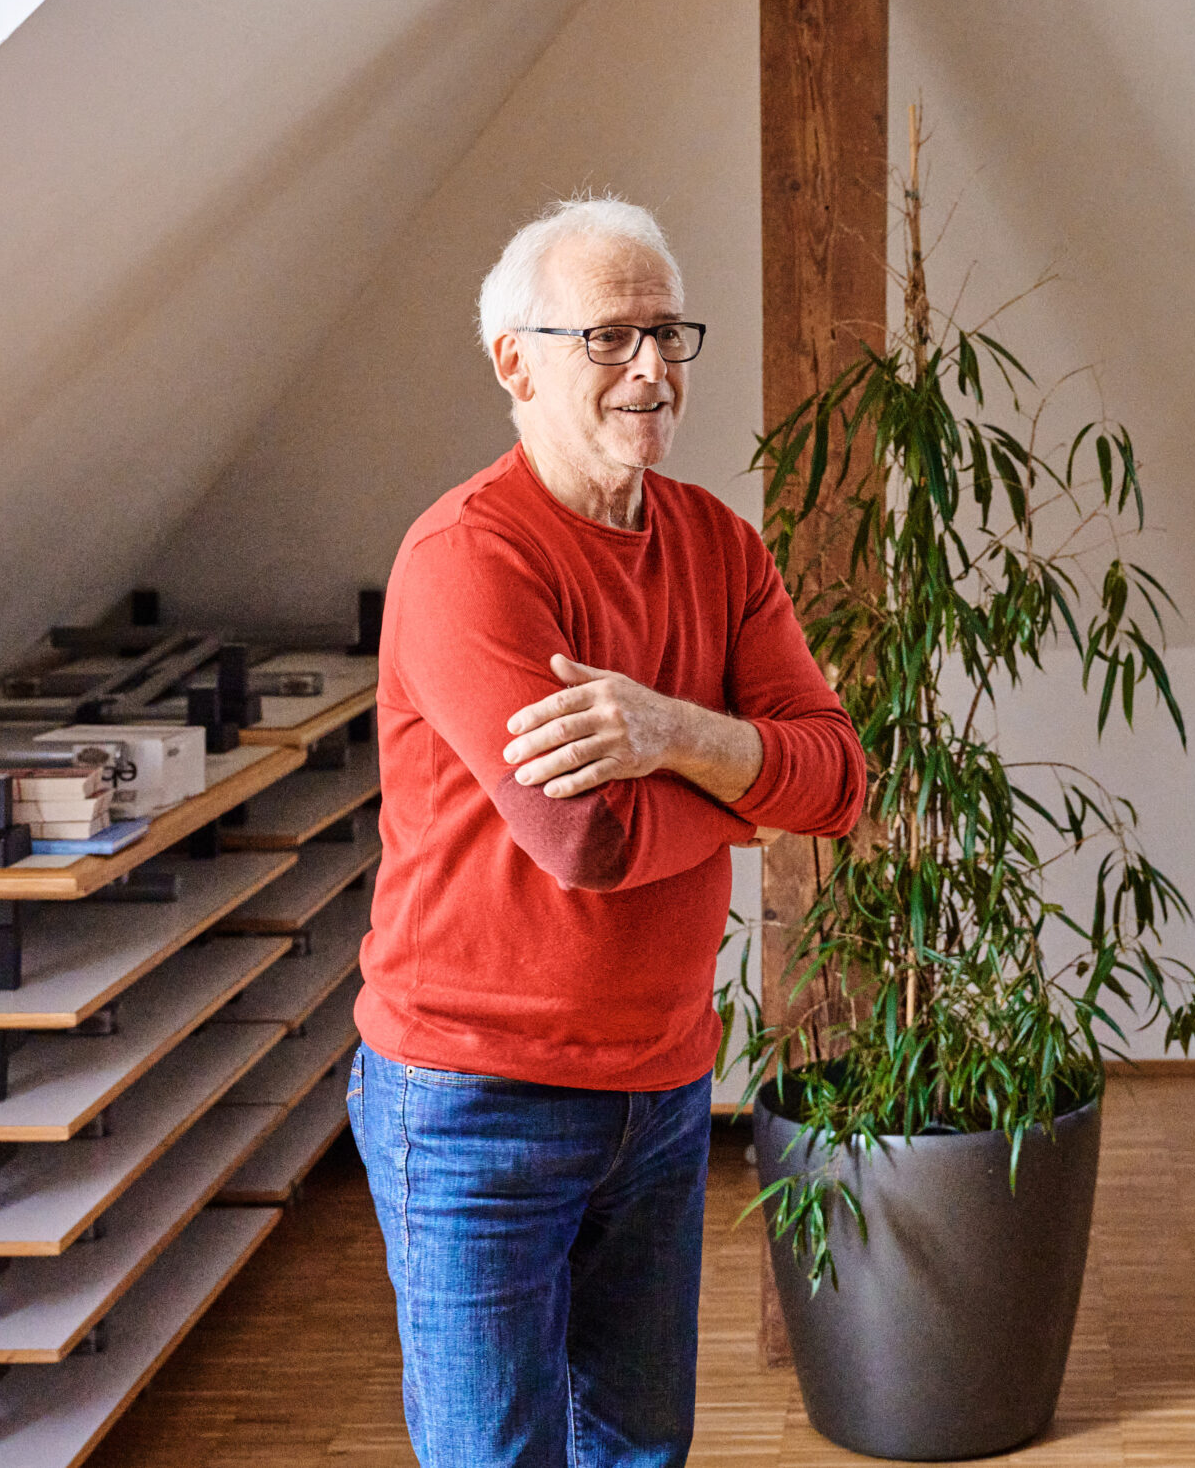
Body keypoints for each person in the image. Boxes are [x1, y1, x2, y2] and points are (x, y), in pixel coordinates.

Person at [349, 198, 866, 1468]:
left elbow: (841, 779)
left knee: (639, 1450)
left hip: (662, 1083)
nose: (652, 367)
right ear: (514, 361)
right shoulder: (468, 558)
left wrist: (667, 729)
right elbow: (585, 842)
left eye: (667, 332)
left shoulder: (719, 545)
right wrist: (749, 781)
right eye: (609, 336)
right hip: (473, 1098)